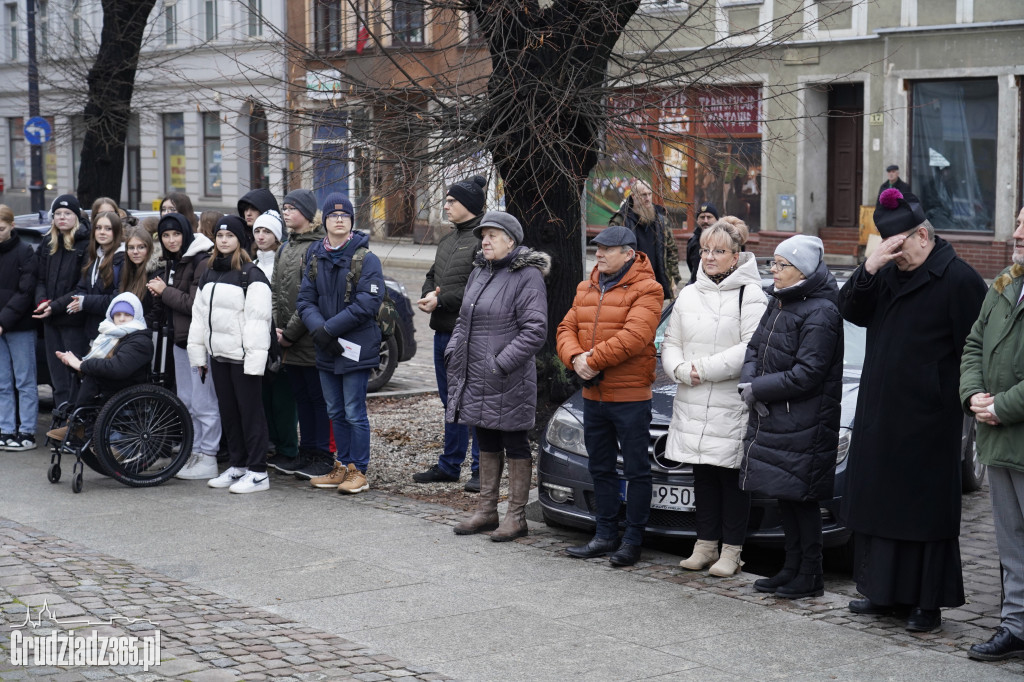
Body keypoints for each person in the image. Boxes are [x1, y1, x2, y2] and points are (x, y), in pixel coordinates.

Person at [838, 189, 987, 632]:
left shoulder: (958, 279)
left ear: (923, 235)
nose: (896, 256)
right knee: (880, 507)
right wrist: (870, 266)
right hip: (881, 411)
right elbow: (849, 309)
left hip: (929, 419)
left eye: (899, 247)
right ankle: (881, 593)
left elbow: (975, 351)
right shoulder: (886, 273)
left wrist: (964, 399)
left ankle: (926, 603)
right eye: (889, 248)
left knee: (923, 516)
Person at [740, 235, 844, 599]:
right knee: (786, 496)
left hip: (806, 421)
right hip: (779, 417)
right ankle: (791, 567)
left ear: (801, 270)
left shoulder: (822, 311)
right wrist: (749, 381)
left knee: (803, 500)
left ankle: (810, 575)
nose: (774, 270)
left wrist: (760, 389)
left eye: (781, 265)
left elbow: (809, 372)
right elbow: (754, 346)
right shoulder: (781, 301)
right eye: (775, 263)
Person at [662, 219, 767, 576]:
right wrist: (678, 370)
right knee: (703, 475)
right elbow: (670, 342)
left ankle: (732, 550)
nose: (709, 257)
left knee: (731, 478)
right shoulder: (690, 293)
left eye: (718, 251)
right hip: (692, 398)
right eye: (706, 250)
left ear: (735, 257)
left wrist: (700, 370)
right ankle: (705, 545)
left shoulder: (750, 294)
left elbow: (749, 349)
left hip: (729, 401)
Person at [557, 225, 664, 566]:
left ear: (629, 253)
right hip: (593, 394)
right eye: (597, 247)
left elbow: (636, 336)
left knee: (636, 471)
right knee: (600, 467)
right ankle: (604, 535)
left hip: (630, 396)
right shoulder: (586, 287)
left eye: (607, 248)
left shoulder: (649, 288)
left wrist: (591, 360)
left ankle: (632, 541)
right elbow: (565, 328)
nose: (599, 253)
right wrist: (575, 359)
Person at [447, 211, 549, 540]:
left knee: (514, 441)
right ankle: (486, 510)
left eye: (493, 235)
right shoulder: (479, 270)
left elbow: (535, 331)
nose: (486, 240)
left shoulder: (528, 275)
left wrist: (500, 363)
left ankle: (516, 516)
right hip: (476, 373)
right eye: (483, 235)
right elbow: (464, 319)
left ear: (511, 241)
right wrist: (453, 350)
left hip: (508, 377)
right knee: (485, 438)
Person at [960, 206, 1024, 662]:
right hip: (999, 440)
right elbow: (974, 343)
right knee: (1011, 543)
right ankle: (1016, 625)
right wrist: (972, 395)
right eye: (1018, 221)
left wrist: (1004, 405)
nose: (1016, 233)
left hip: (1012, 426)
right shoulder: (1006, 281)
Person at [296, 193, 384, 494]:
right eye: (333, 216)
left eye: (344, 216)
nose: (338, 220)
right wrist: (319, 329)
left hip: (355, 346)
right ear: (324, 222)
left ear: (351, 222)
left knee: (354, 410)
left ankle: (359, 470)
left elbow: (366, 305)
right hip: (326, 347)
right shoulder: (314, 255)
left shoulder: (366, 259)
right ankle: (343, 465)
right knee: (334, 410)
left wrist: (327, 329)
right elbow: (305, 300)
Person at [188, 215, 273, 494]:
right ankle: (238, 465)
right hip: (218, 356)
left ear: (240, 240)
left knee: (251, 414)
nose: (224, 241)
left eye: (230, 236)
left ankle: (258, 472)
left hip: (242, 358)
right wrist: (199, 356)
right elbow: (199, 318)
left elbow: (258, 322)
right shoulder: (209, 273)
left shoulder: (251, 274)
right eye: (220, 236)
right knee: (229, 414)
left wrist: (255, 361)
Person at [412, 175, 485, 491]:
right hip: (442, 333)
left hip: (469, 336)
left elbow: (477, 287)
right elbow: (432, 275)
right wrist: (430, 293)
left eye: (451, 201)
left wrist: (441, 298)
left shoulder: (482, 240)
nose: (446, 205)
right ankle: (450, 465)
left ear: (467, 205)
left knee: (474, 403)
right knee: (450, 403)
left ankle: (482, 470)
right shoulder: (447, 239)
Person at [148, 212, 221, 480]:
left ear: (186, 234)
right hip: (181, 342)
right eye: (165, 235)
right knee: (188, 401)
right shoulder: (173, 261)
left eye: (175, 234)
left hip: (198, 342)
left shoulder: (200, 260)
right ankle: (194, 451)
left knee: (204, 402)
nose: (170, 240)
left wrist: (163, 291)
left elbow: (194, 305)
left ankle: (208, 456)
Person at [269, 189, 331, 476]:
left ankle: (322, 455)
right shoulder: (285, 247)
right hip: (287, 339)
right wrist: (277, 326)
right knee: (301, 397)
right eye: (285, 207)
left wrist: (290, 333)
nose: (286, 212)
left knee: (317, 398)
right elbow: (274, 290)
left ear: (307, 213)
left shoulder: (317, 247)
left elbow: (312, 296)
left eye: (292, 208)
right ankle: (306, 452)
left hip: (309, 338)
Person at [46, 293, 152, 426]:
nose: (122, 319)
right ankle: (75, 423)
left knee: (91, 376)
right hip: (113, 383)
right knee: (81, 374)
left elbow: (117, 368)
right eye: (118, 315)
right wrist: (73, 361)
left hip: (128, 387)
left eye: (127, 315)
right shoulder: (108, 335)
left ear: (135, 316)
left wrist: (82, 365)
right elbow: (97, 361)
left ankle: (78, 425)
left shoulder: (140, 340)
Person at [33, 195, 90, 408]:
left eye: (67, 214)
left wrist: (54, 307)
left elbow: (82, 286)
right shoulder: (48, 241)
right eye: (58, 214)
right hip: (50, 321)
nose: (62, 218)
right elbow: (39, 278)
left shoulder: (86, 243)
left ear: (77, 216)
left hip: (74, 321)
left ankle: (76, 429)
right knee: (58, 379)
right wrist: (43, 301)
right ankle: (61, 425)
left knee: (75, 377)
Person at [252, 210, 299, 467]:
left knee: (283, 399)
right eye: (258, 231)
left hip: (280, 338)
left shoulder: (280, 262)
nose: (261, 236)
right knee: (264, 397)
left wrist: (281, 330)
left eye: (267, 231)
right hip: (257, 339)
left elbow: (284, 299)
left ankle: (288, 447)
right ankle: (274, 444)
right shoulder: (253, 263)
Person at [52, 211, 125, 342]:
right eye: (98, 228)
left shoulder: (122, 260)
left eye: (108, 228)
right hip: (93, 331)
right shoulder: (94, 257)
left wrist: (84, 302)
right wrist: (81, 300)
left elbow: (117, 300)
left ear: (117, 231)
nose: (102, 232)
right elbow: (82, 288)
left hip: (115, 333)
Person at [0, 205, 38, 451]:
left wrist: (3, 321)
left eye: (1, 228)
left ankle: (27, 431)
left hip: (20, 326)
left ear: (12, 226)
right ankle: (5, 429)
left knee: (25, 381)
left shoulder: (25, 251)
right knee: (2, 382)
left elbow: (26, 291)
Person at [609, 179, 680, 301]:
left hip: (657, 283)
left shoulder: (661, 221)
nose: (647, 198)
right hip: (629, 285)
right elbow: (611, 254)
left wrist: (673, 279)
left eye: (649, 194)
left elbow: (671, 251)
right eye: (643, 195)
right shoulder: (621, 221)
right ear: (633, 196)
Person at [119, 228, 158, 322]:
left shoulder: (156, 274)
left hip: (145, 331)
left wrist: (134, 325)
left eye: (141, 247)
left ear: (149, 248)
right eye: (131, 248)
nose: (135, 252)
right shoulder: (126, 271)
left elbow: (157, 312)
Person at [686, 203, 719, 285]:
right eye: (702, 217)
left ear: (717, 219)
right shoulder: (693, 241)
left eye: (709, 217)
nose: (705, 221)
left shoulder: (724, 241)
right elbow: (691, 266)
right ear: (697, 220)